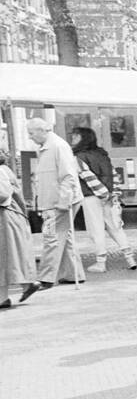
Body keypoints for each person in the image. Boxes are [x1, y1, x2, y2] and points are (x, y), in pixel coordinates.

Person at [22, 117, 82, 300]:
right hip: (53, 201)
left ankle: (46, 278)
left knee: (51, 237)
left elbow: (68, 176)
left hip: (59, 202)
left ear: (42, 130)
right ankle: (73, 274)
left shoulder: (57, 146)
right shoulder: (48, 147)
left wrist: (63, 202)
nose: (30, 137)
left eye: (31, 133)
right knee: (64, 236)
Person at [70, 127, 137, 272]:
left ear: (83, 138)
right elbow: (114, 175)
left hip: (92, 197)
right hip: (109, 195)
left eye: (75, 137)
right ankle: (130, 259)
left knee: (96, 229)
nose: (72, 140)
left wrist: (103, 193)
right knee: (115, 227)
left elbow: (88, 177)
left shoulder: (78, 157)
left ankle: (101, 263)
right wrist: (113, 193)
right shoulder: (102, 155)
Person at [0, 146, 37, 308]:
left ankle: (3, 297)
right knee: (10, 256)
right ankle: (26, 285)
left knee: (5, 257)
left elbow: (2, 194)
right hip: (10, 217)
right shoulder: (4, 169)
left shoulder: (1, 171)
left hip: (5, 218)